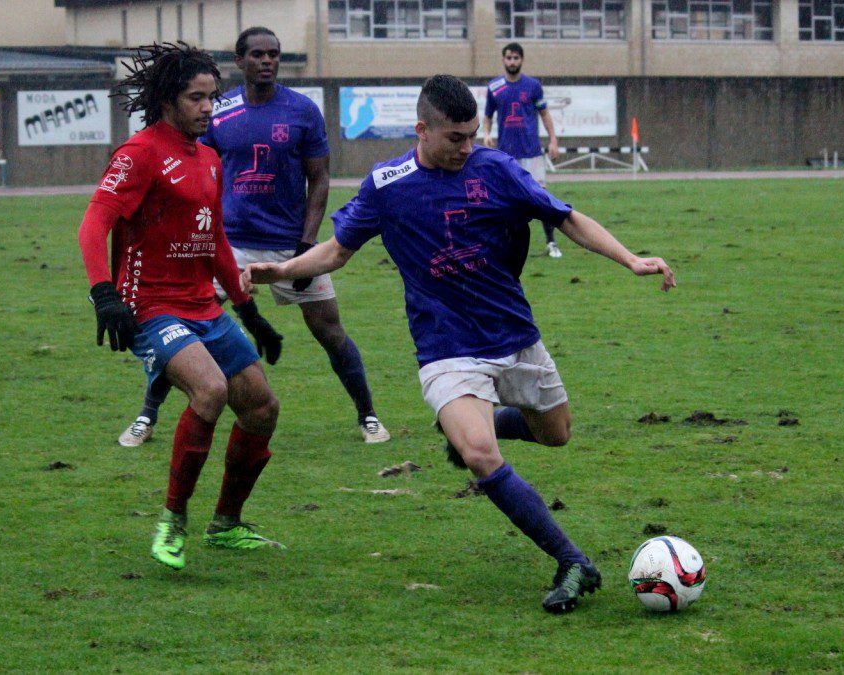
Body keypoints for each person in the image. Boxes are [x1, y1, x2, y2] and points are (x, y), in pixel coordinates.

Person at [240, 74, 676, 613]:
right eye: (455, 138)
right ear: (421, 129)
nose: (467, 147)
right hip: (445, 344)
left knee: (556, 433)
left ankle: (480, 419)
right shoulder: (387, 184)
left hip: (514, 333)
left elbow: (565, 219)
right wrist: (281, 268)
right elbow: (335, 251)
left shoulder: (494, 169)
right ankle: (572, 561)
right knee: (478, 455)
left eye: (472, 135)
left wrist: (631, 258)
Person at [119, 26, 389, 447]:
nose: (267, 61)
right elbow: (196, 172)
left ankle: (368, 415)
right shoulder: (218, 111)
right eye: (258, 54)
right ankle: (146, 417)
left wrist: (306, 244)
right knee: (187, 330)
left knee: (330, 330)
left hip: (290, 245)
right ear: (240, 61)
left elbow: (319, 179)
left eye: (274, 54)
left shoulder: (302, 111)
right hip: (229, 246)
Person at [79, 43, 287, 571]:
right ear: (169, 99)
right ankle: (173, 520)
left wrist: (249, 311)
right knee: (211, 390)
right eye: (197, 98)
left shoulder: (211, 159)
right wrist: (104, 295)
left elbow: (214, 241)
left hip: (204, 307)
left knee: (262, 407)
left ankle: (227, 523)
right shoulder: (140, 153)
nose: (207, 108)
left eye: (212, 98)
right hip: (150, 308)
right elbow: (94, 224)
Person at [483, 42, 563, 259]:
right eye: (508, 58)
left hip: (532, 153)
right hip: (506, 155)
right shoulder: (495, 87)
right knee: (505, 201)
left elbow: (544, 114)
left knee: (542, 198)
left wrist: (553, 140)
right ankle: (504, 244)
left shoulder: (533, 86)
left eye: (516, 58)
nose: (512, 62)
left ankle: (551, 242)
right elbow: (488, 116)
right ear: (503, 60)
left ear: (522, 60)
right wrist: (487, 134)